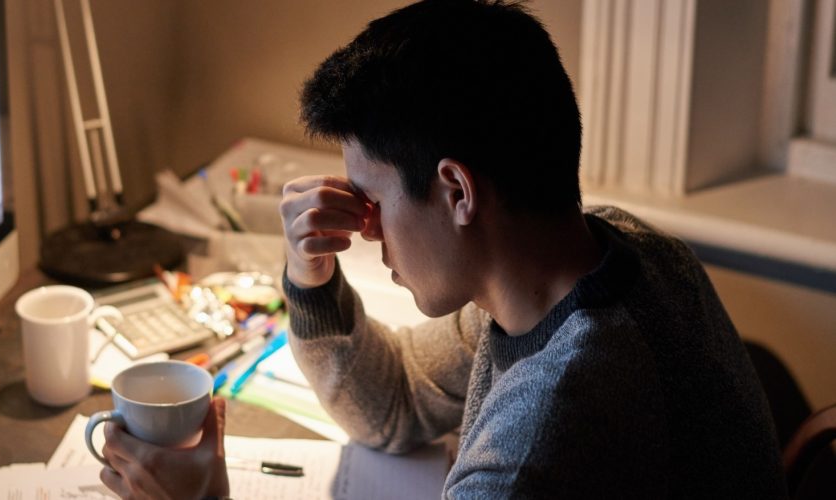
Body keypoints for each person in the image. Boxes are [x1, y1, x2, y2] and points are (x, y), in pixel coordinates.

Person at [98, 0, 787, 498]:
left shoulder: (538, 444)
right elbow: (396, 404)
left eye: (373, 198)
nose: (365, 228)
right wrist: (310, 281)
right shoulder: (607, 253)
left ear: (457, 190)